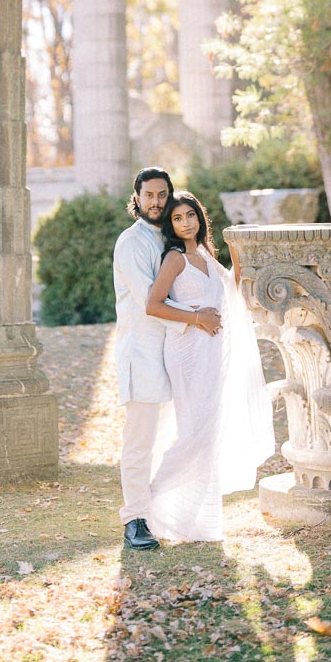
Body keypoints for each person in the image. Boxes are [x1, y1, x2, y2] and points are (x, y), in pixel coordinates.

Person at [144, 190, 275, 543]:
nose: (186, 222)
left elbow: (229, 290)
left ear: (200, 218)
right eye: (178, 218)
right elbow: (153, 305)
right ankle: (149, 504)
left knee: (209, 431)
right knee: (195, 431)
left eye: (191, 215)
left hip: (213, 351)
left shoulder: (203, 253)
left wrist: (237, 251)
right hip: (187, 349)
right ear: (171, 225)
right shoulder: (174, 259)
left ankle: (194, 521)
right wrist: (196, 317)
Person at [113, 167, 224, 551]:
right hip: (143, 354)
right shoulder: (131, 244)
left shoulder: (171, 239)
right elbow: (150, 303)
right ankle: (134, 519)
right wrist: (196, 318)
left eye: (163, 195)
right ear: (138, 199)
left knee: (178, 436)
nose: (157, 202)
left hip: (179, 353)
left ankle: (169, 510)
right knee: (140, 442)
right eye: (149, 196)